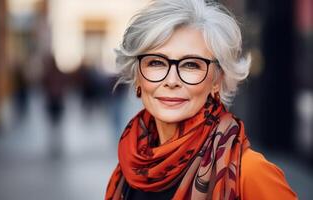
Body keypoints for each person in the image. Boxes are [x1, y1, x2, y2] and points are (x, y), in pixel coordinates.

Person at [105, 0, 298, 199]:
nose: (172, 81)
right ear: (137, 76)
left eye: (191, 65)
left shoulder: (250, 173)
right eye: (156, 62)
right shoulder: (129, 167)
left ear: (217, 80)